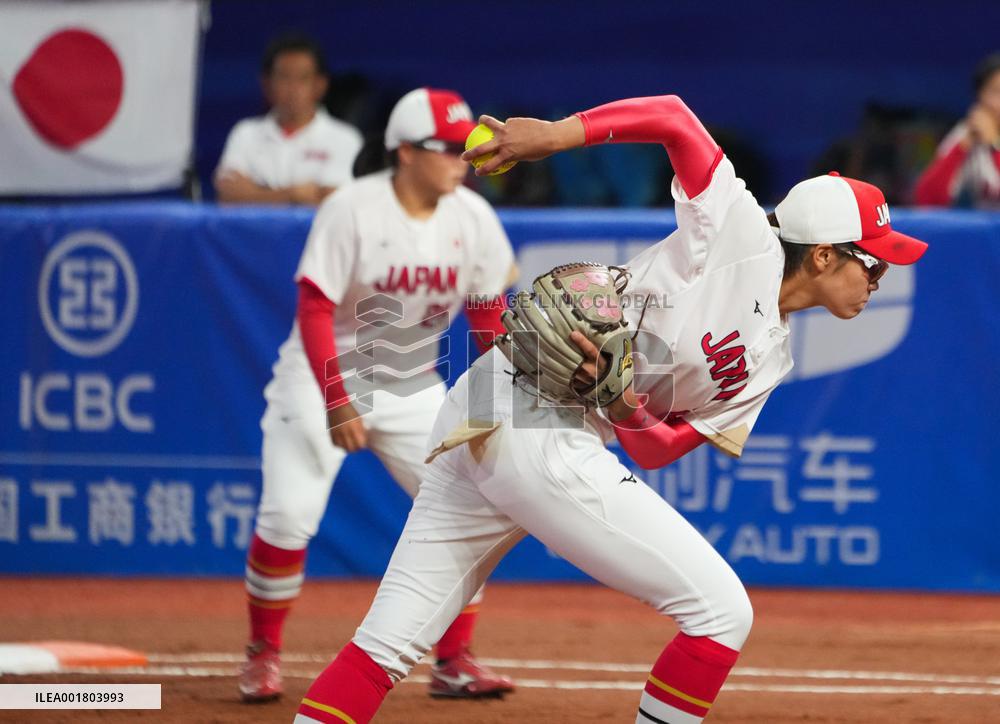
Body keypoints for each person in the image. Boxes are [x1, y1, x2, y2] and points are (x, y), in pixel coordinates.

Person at [292, 94, 928, 724]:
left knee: (384, 648)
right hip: (515, 408)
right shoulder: (740, 231)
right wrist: (554, 136)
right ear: (823, 255)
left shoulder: (772, 359)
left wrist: (623, 405)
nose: (880, 280)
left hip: (536, 428)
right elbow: (674, 117)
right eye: (873, 263)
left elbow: (661, 448)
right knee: (721, 614)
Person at [238, 87, 519, 703]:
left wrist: (492, 408)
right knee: (287, 516)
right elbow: (314, 309)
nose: (460, 158)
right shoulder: (353, 208)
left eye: (465, 147)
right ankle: (263, 652)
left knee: (468, 507)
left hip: (414, 383)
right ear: (405, 152)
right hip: (321, 377)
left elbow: (488, 323)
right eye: (447, 148)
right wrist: (337, 399)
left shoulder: (472, 218)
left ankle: (453, 660)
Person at [214, 33, 363, 206]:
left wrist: (255, 193)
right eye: (284, 77)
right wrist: (294, 194)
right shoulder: (245, 133)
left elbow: (334, 201)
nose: (293, 88)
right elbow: (227, 195)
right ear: (267, 83)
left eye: (302, 78)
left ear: (320, 85)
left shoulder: (344, 138)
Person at [914, 52, 1000, 208]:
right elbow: (927, 198)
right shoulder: (970, 132)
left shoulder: (989, 138)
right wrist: (961, 148)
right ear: (980, 96)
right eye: (996, 92)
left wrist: (994, 145)